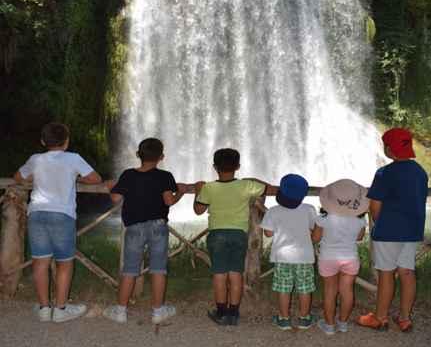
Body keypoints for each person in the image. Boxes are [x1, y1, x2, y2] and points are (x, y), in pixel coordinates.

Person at [14, 122, 102, 322]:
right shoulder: (73, 159)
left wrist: (35, 179)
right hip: (62, 215)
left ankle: (44, 309)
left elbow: (18, 177)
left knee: (40, 261)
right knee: (64, 263)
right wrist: (74, 179)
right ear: (67, 141)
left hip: (37, 213)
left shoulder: (35, 159)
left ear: (43, 141)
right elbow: (95, 179)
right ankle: (60, 310)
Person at [103, 138, 187, 325]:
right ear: (161, 157)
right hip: (158, 226)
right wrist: (180, 192)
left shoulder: (128, 175)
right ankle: (158, 311)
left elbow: (116, 198)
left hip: (134, 227)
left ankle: (120, 310)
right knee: (158, 269)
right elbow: (168, 201)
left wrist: (111, 187)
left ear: (138, 155)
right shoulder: (165, 176)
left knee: (130, 269)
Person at [194, 148, 278, 325]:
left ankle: (221, 312)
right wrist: (252, 181)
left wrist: (197, 190)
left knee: (219, 274)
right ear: (238, 167)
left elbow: (198, 210)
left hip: (216, 234)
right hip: (239, 234)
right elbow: (266, 189)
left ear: (214, 167)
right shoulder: (246, 186)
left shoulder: (209, 187)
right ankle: (233, 314)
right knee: (236, 273)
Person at [357, 128, 428, 332]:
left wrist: (380, 223)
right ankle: (405, 318)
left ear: (389, 149)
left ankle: (380, 317)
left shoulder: (384, 173)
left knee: (386, 273)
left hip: (388, 232)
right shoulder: (420, 172)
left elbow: (375, 206)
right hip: (412, 231)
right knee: (407, 273)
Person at [260, 174, 317, 331]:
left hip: (282, 257)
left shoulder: (273, 211)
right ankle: (304, 318)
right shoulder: (309, 209)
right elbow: (314, 228)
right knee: (305, 288)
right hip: (304, 256)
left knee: (284, 288)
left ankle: (284, 318)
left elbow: (268, 234)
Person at [312, 179, 368, 335]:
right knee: (347, 291)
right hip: (350, 258)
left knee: (330, 291)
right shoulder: (360, 220)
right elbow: (359, 237)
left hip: (328, 258)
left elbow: (315, 239)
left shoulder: (323, 219)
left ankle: (329, 325)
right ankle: (343, 323)